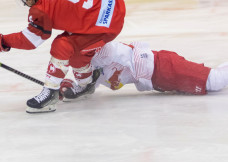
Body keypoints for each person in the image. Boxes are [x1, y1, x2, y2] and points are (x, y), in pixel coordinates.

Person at [0, 0, 126, 113]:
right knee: (77, 56)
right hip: (109, 0)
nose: (26, 4)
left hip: (105, 24)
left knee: (62, 46)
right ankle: (87, 84)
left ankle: (50, 92)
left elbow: (30, 40)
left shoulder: (41, 10)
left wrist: (1, 41)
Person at [59, 40, 228, 99]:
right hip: (160, 79)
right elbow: (87, 89)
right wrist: (67, 87)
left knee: (215, 81)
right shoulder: (87, 67)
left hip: (164, 68)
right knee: (213, 78)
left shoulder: (102, 51)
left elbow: (125, 56)